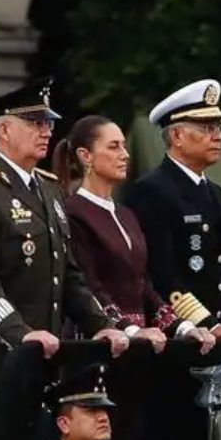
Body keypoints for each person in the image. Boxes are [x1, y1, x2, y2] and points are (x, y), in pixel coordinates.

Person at [0, 76, 128, 440]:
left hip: (42, 358)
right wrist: (18, 333)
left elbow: (69, 275)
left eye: (48, 123)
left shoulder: (49, 188)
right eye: (35, 123)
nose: (47, 131)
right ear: (5, 130)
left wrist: (102, 326)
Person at [121, 79, 221, 347]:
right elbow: (159, 275)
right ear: (177, 137)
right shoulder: (151, 191)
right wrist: (210, 326)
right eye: (207, 128)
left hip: (220, 341)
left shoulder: (215, 193)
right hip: (179, 341)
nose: (218, 135)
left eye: (219, 127)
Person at [53, 115, 211, 355]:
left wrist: (182, 327)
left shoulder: (126, 214)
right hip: (98, 344)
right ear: (86, 156)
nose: (125, 154)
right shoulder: (73, 212)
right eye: (114, 146)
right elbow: (88, 285)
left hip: (141, 344)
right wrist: (129, 329)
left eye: (124, 146)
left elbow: (143, 284)